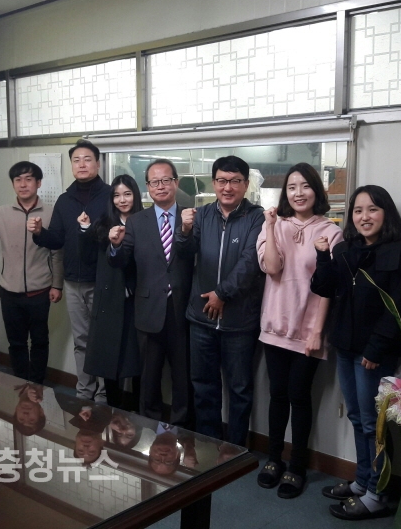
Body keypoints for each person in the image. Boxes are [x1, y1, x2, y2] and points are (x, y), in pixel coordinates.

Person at [311, 185, 401, 521]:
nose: (364, 217)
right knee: (358, 418)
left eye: (372, 209)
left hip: (375, 353)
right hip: (345, 346)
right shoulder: (346, 248)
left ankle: (378, 493)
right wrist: (322, 256)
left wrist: (376, 348)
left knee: (374, 425)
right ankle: (362, 481)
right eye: (358, 210)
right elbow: (323, 287)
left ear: (386, 213)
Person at [255, 163, 343, 498]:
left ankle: (297, 467)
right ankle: (274, 459)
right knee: (277, 395)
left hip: (308, 329)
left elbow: (328, 287)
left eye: (305, 186)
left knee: (299, 396)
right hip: (274, 326)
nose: (298, 193)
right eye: (292, 187)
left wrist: (318, 331)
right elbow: (272, 267)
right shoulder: (274, 225)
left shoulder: (330, 231)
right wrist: (270, 225)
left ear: (316, 191)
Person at [175, 155, 264, 447]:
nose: (228, 187)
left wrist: (222, 294)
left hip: (240, 321)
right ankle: (209, 448)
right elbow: (184, 255)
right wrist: (184, 231)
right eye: (222, 181)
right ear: (213, 183)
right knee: (204, 387)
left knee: (240, 390)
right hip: (201, 319)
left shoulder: (257, 217)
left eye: (235, 181)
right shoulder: (200, 215)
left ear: (246, 184)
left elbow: (250, 262)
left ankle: (235, 450)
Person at [108, 159, 193, 427]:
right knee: (148, 377)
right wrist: (115, 246)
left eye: (166, 180)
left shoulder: (192, 217)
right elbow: (122, 260)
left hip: (182, 309)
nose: (161, 186)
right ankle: (149, 428)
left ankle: (182, 429)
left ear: (176, 183)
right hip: (148, 309)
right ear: (147, 187)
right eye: (155, 182)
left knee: (183, 376)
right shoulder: (137, 222)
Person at [28, 139, 110, 401]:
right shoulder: (65, 200)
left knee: (103, 340)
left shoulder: (110, 196)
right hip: (74, 282)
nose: (82, 164)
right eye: (76, 160)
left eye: (87, 159)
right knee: (81, 340)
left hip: (103, 280)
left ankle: (105, 395)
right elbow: (57, 240)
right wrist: (39, 232)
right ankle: (84, 391)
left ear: (98, 164)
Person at [0, 161, 64, 384]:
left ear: (38, 183)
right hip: (9, 292)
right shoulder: (1, 213)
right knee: (16, 343)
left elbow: (57, 252)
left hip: (40, 291)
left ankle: (37, 387)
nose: (23, 184)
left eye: (28, 179)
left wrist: (57, 284)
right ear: (13, 184)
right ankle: (21, 386)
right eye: (18, 180)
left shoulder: (51, 214)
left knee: (40, 342)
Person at [77, 174, 142, 410]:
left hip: (137, 299)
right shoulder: (104, 223)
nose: (122, 200)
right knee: (110, 357)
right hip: (109, 299)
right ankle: (113, 409)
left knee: (138, 359)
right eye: (116, 195)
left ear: (135, 195)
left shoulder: (144, 221)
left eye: (127, 194)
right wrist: (85, 230)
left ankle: (138, 412)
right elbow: (88, 258)